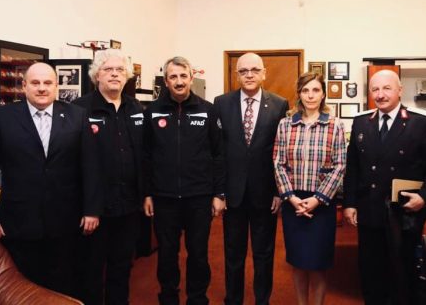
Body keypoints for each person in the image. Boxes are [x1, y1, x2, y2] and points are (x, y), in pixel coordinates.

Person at [0, 62, 102, 297]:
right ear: (24, 86)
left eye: (48, 83)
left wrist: (91, 210)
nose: (42, 88)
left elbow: (90, 166)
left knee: (63, 287)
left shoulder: (77, 116)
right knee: (21, 290)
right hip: (18, 224)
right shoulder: (1, 117)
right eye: (35, 83)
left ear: (56, 86)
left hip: (66, 223)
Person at [343, 69, 426, 305]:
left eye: (386, 88)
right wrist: (349, 203)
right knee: (370, 273)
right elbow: (354, 167)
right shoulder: (361, 122)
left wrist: (425, 197)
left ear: (400, 90)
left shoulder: (420, 121)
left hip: (403, 213)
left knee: (402, 274)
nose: (380, 94)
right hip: (369, 212)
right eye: (375, 89)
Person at [143, 56, 224, 305]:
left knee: (198, 254)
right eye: (173, 77)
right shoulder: (152, 111)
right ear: (166, 81)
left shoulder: (208, 110)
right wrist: (147, 193)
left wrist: (219, 194)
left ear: (191, 78)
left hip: (199, 198)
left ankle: (197, 299)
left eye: (183, 76)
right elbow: (145, 155)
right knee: (167, 254)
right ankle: (168, 298)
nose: (179, 81)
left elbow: (219, 154)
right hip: (164, 198)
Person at [213, 52, 288, 305]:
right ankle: (233, 300)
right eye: (243, 71)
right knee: (233, 254)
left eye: (254, 70)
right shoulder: (221, 103)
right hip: (232, 194)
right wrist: (219, 192)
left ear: (264, 73)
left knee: (263, 254)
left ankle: (262, 300)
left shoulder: (279, 104)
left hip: (265, 194)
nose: (249, 75)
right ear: (237, 75)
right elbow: (218, 152)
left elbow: (280, 152)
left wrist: (278, 191)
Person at [72, 49, 145, 304]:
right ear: (97, 75)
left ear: (127, 76)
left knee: (122, 268)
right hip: (95, 211)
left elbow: (144, 154)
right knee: (91, 270)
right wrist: (87, 208)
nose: (115, 74)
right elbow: (72, 163)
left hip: (128, 207)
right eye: (108, 69)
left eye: (120, 70)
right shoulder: (79, 109)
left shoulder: (135, 108)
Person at [273, 72, 346, 305]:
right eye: (305, 90)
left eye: (315, 90)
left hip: (321, 204)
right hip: (293, 203)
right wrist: (291, 198)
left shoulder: (335, 125)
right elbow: (278, 163)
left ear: (323, 94)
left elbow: (340, 165)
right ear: (299, 94)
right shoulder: (285, 125)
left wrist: (317, 199)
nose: (310, 95)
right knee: (298, 262)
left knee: (318, 264)